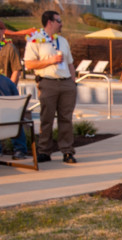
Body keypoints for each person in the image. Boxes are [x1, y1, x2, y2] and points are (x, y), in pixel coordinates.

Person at [24, 10, 77, 163]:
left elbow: (70, 63)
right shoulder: (35, 40)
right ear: (50, 22)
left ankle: (67, 151)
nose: (61, 24)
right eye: (59, 21)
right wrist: (51, 60)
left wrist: (73, 83)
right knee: (46, 118)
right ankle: (44, 151)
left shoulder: (63, 40)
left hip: (66, 83)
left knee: (66, 119)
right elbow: (29, 64)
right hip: (48, 82)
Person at [0, 73, 28, 159]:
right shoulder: (8, 82)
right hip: (12, 125)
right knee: (17, 118)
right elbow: (18, 105)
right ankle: (20, 150)